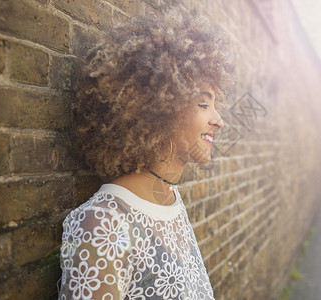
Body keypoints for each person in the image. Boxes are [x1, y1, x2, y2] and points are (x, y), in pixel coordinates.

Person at [58, 11, 234, 300]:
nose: (219, 119)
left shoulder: (170, 199)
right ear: (158, 109)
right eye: (203, 103)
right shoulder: (103, 224)